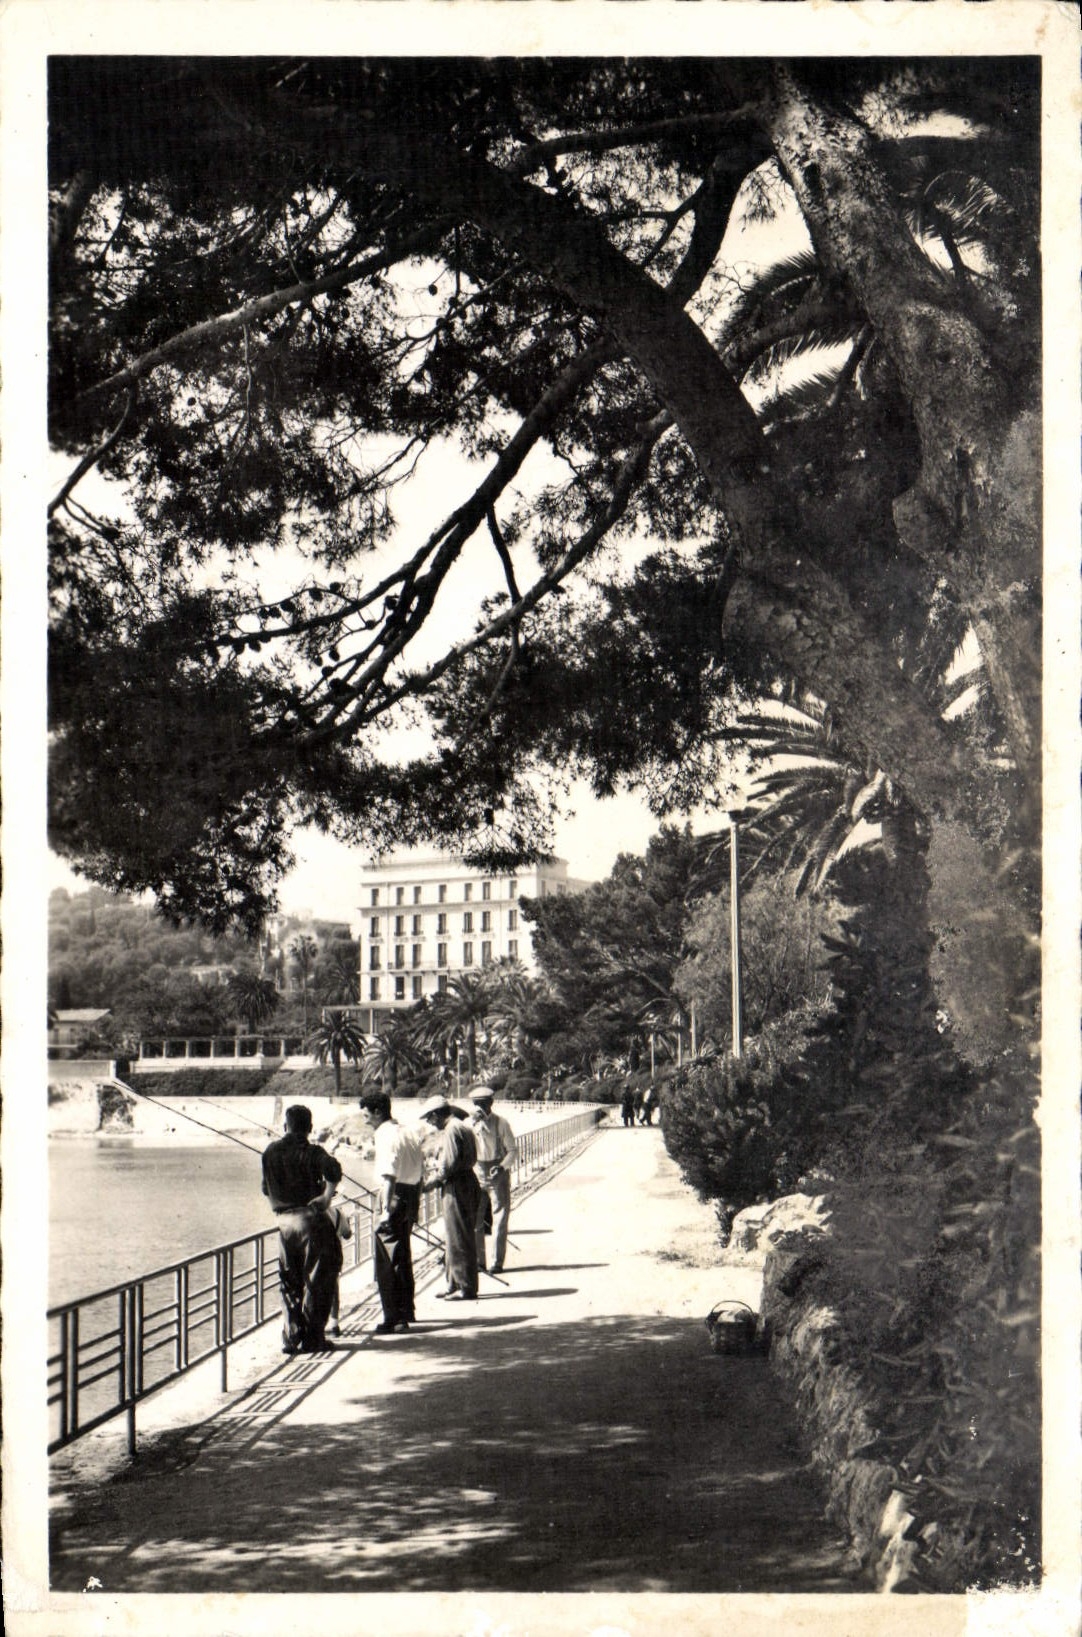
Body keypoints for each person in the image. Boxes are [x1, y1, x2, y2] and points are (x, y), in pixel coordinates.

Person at [261, 1104, 343, 1354]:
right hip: (310, 1220)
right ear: (309, 1128)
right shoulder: (313, 1151)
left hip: (284, 1223)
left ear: (286, 1126)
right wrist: (327, 1197)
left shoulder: (270, 1152)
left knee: (289, 1280)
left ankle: (291, 1335)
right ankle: (313, 1338)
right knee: (319, 1278)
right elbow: (334, 1170)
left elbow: (265, 1189)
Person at [359, 1090, 424, 1335]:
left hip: (394, 1198)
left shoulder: (384, 1135)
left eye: (366, 1115)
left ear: (378, 1112)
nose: (365, 1120)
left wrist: (385, 1211)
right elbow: (420, 1171)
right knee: (403, 1256)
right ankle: (407, 1310)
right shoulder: (408, 1131)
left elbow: (388, 1175)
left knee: (387, 1261)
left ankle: (394, 1318)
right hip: (410, 1196)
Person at [417, 1093, 482, 1301]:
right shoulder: (460, 1126)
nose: (429, 1123)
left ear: (437, 1115)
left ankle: (466, 1287)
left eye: (429, 1118)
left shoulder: (452, 1130)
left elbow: (448, 1166)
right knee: (455, 1236)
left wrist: (429, 1184)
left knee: (459, 1237)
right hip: (466, 1182)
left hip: (458, 1185)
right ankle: (453, 1282)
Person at [469, 1086, 517, 1274]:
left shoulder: (501, 1123)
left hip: (498, 1173)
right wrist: (472, 1124)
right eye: (476, 1104)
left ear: (491, 1103)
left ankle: (497, 1262)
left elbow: (512, 1150)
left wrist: (503, 1166)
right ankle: (479, 1261)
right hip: (477, 1172)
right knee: (476, 1219)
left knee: (500, 1218)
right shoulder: (469, 1123)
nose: (479, 1108)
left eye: (482, 1104)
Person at [325, 1200, 353, 1338]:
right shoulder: (337, 1212)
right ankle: (334, 1324)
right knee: (334, 1290)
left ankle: (315, 1324)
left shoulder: (310, 1212)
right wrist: (347, 1219)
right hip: (333, 1256)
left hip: (314, 1257)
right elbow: (347, 1234)